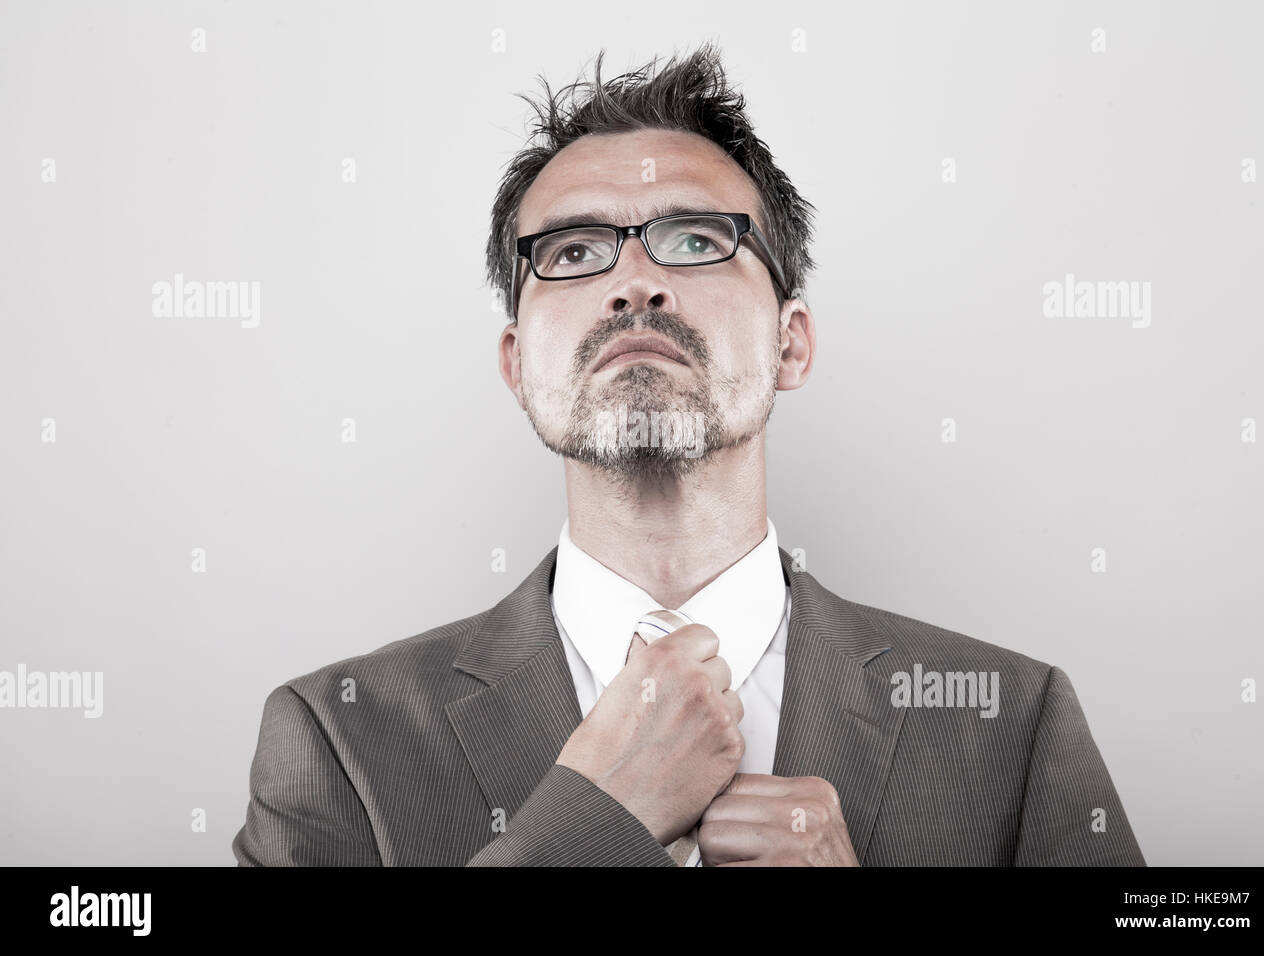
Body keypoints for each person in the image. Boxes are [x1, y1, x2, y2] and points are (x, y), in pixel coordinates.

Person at [233, 42, 1144, 867]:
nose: (636, 284)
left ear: (791, 344)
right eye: (576, 249)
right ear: (517, 364)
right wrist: (590, 826)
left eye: (698, 241)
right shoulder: (337, 740)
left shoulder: (1015, 723)